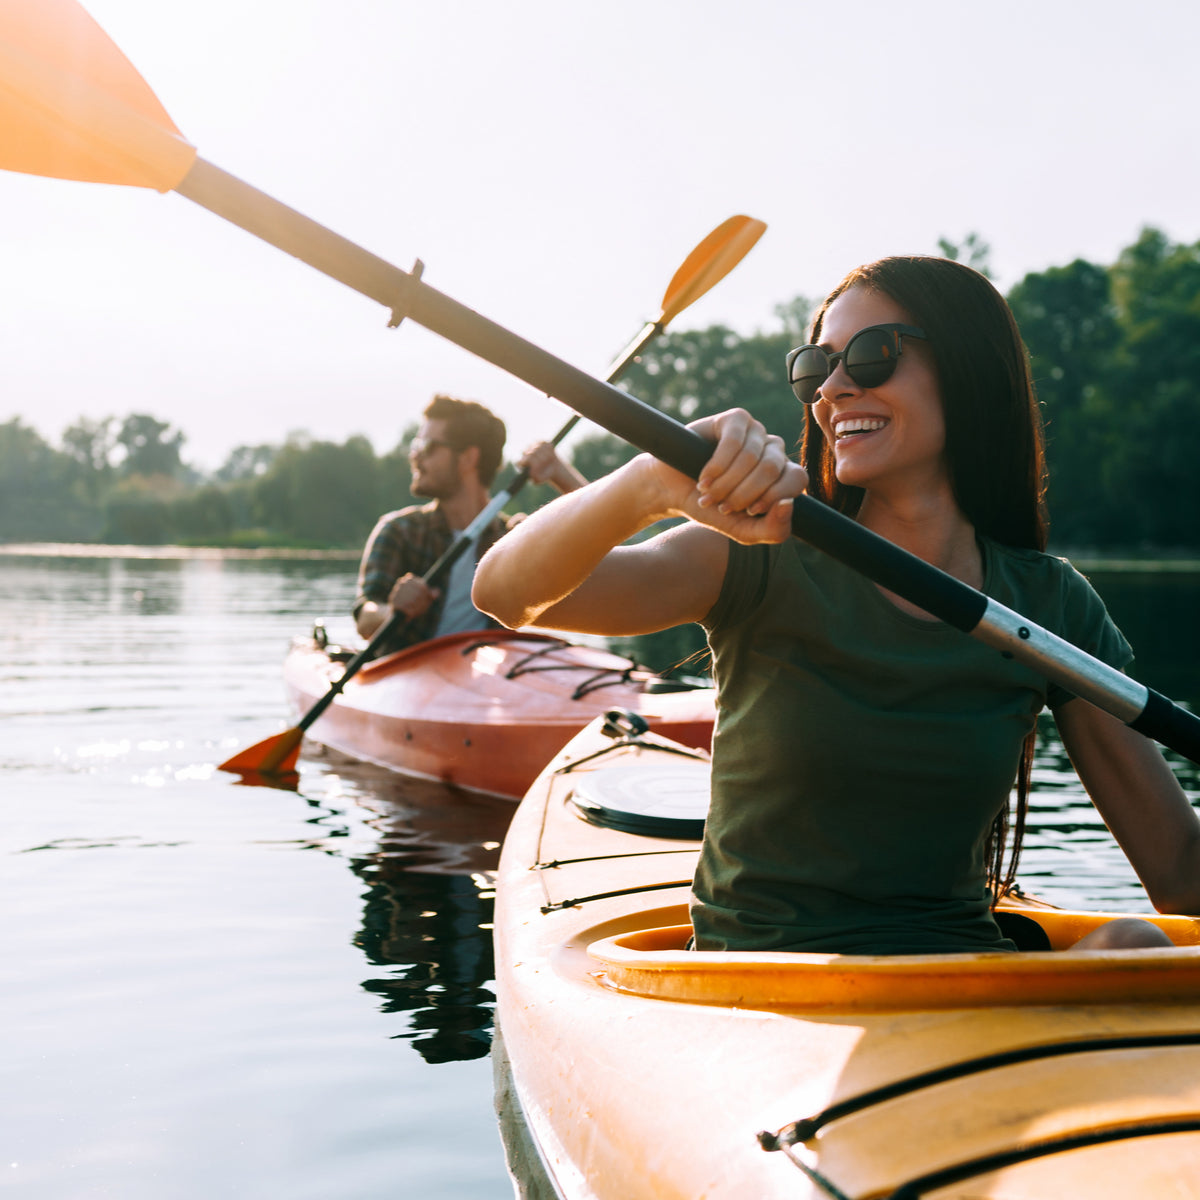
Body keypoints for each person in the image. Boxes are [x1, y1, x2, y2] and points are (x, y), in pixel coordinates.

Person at [472, 255, 1200, 955]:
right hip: (767, 985)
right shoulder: (754, 552)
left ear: (970, 371)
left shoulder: (1048, 604)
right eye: (816, 368)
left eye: (873, 355)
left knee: (1132, 940)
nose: (833, 389)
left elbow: (1179, 873)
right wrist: (648, 486)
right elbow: (504, 593)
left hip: (961, 983)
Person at [354, 394, 583, 656]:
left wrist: (560, 474)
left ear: (467, 459)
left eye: (427, 446)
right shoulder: (398, 531)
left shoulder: (514, 538)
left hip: (486, 681)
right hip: (407, 677)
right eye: (415, 445)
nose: (415, 456)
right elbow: (364, 618)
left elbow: (602, 539)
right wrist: (392, 611)